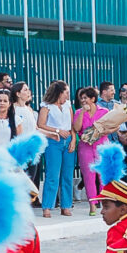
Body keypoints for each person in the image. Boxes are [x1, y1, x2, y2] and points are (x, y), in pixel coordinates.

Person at [37, 82, 75, 213]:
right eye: (66, 92)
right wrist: (57, 130)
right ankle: (47, 206)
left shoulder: (68, 105)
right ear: (59, 92)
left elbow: (72, 125)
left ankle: (66, 205)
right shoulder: (46, 106)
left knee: (67, 174)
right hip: (54, 141)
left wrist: (73, 140)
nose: (68, 95)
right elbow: (41, 124)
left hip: (68, 140)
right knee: (52, 174)